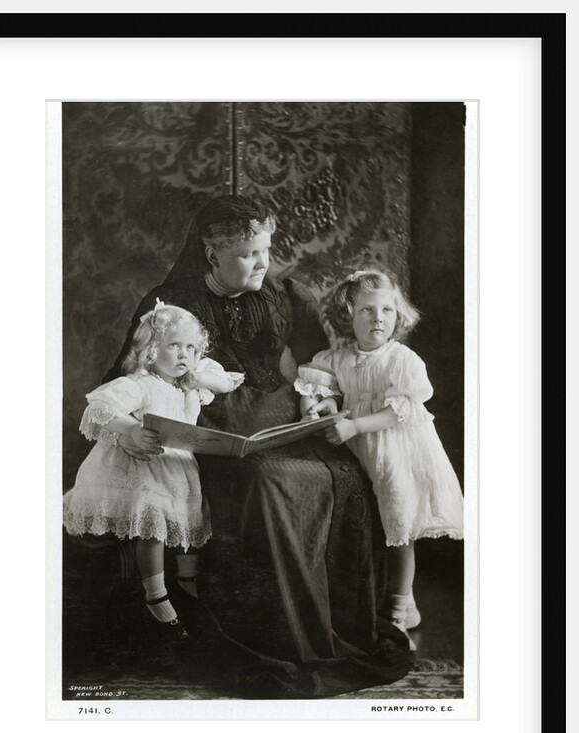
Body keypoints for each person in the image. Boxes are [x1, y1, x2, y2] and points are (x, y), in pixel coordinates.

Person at [105, 195, 413, 697]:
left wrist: (320, 399)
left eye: (266, 250)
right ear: (212, 254)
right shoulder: (169, 303)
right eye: (248, 254)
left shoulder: (279, 294)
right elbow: (132, 376)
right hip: (210, 428)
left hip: (283, 418)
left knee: (346, 473)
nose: (263, 262)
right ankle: (276, 633)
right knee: (266, 483)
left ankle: (339, 624)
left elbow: (308, 362)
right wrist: (134, 426)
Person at [296, 268, 464, 650]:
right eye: (367, 310)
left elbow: (399, 411)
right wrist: (321, 405)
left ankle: (399, 607)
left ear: (397, 316)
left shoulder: (400, 359)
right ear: (348, 316)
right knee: (371, 522)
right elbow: (320, 388)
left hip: (396, 449)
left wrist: (355, 426)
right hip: (358, 447)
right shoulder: (340, 358)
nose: (378, 318)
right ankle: (394, 602)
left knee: (399, 524)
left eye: (387, 310)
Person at [63, 301, 244, 637]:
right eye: (174, 345)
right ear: (150, 350)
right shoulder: (141, 383)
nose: (184, 354)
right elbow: (99, 408)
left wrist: (196, 372)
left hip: (177, 467)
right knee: (153, 523)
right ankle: (156, 595)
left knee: (190, 519)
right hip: (142, 467)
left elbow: (225, 381)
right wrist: (131, 429)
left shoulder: (190, 385)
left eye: (191, 348)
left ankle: (187, 582)